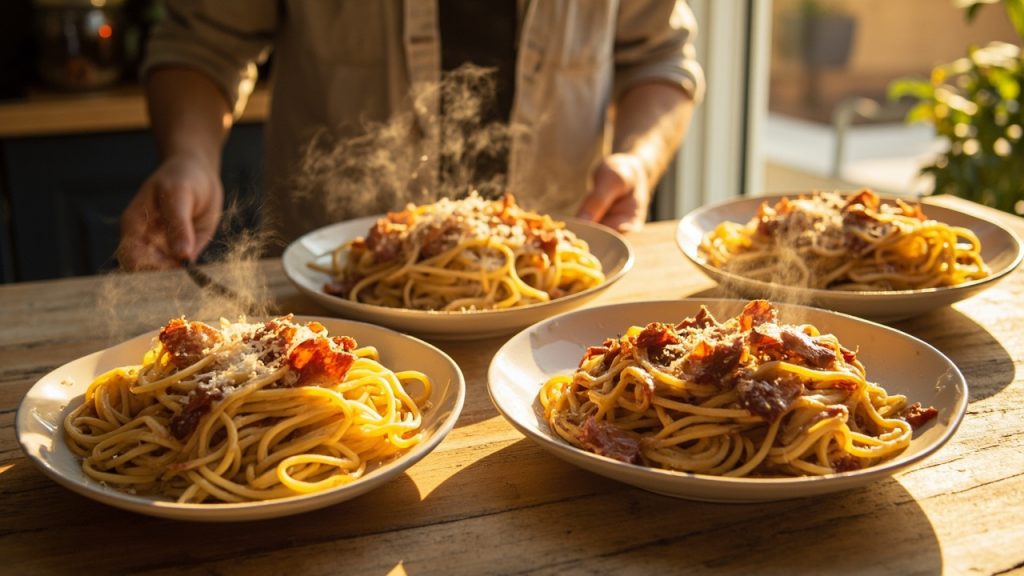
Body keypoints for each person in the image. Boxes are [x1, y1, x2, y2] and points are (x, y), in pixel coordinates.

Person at [117, 0, 705, 270]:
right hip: (335, 282)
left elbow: (660, 57)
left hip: (552, 278)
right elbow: (201, 43)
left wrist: (637, 159)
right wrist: (189, 157)